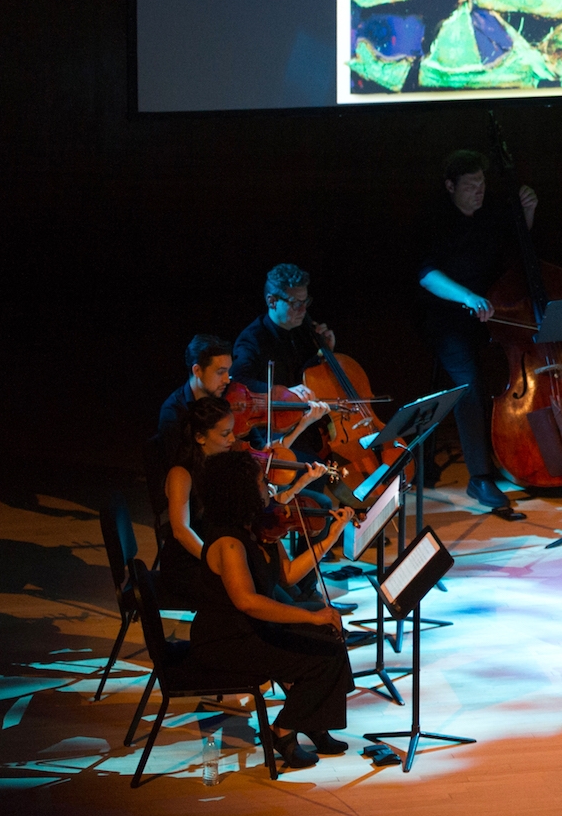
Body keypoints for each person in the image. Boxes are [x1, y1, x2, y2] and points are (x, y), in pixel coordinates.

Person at [191, 450, 357, 769]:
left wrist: (330, 537)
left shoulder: (258, 528)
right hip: (225, 641)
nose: (268, 487)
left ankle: (311, 719)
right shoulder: (229, 542)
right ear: (240, 493)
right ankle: (281, 730)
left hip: (253, 630)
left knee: (330, 638)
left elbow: (289, 574)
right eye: (260, 482)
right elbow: (247, 602)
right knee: (317, 662)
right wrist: (312, 614)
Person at [416, 149, 536, 515]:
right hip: (446, 319)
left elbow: (517, 249)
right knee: (468, 384)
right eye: (470, 185)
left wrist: (527, 213)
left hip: (491, 316)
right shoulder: (434, 221)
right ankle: (480, 476)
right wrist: (467, 296)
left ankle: (518, 454)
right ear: (450, 186)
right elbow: (425, 274)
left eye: (482, 184)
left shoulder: (489, 216)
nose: (478, 191)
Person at [153, 395, 330, 608]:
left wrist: (299, 484)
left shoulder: (226, 464)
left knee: (281, 590)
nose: (232, 439)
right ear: (200, 437)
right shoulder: (181, 474)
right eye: (225, 434)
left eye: (232, 432)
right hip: (192, 563)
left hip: (227, 553)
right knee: (266, 590)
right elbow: (181, 530)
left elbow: (262, 505)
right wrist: (216, 563)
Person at [233, 264, 336, 464]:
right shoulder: (252, 339)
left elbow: (307, 375)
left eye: (305, 301)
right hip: (276, 432)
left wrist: (325, 354)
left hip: (309, 426)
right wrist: (285, 393)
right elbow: (239, 381)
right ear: (272, 301)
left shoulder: (305, 332)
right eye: (295, 303)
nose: (303, 310)